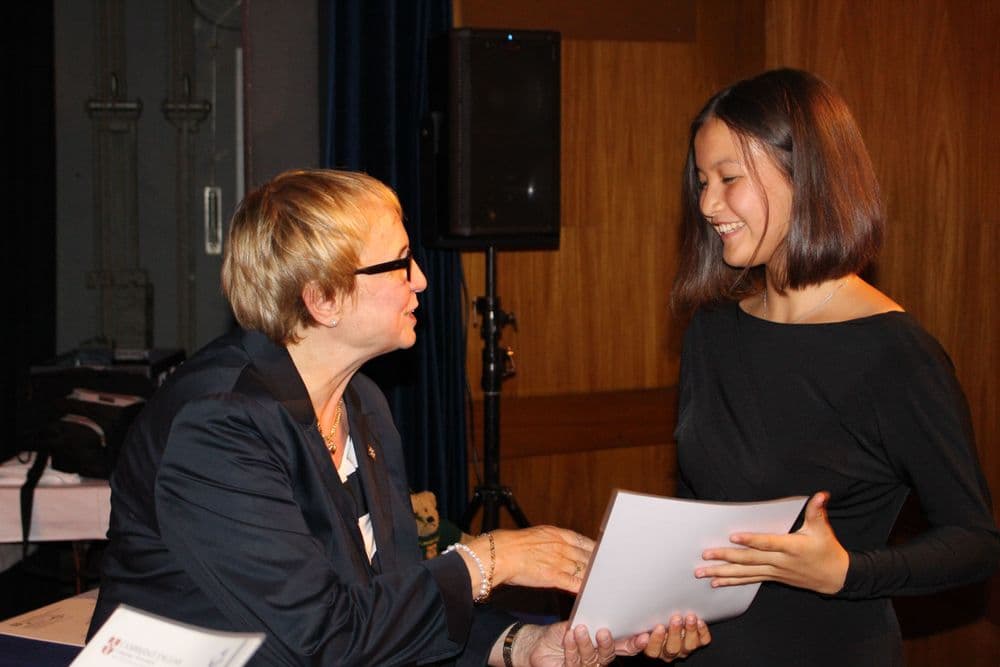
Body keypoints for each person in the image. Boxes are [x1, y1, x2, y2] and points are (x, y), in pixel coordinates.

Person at [87, 169, 707, 666]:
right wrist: (490, 559)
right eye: (399, 262)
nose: (422, 280)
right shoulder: (218, 425)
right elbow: (326, 637)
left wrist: (520, 645)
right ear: (323, 299)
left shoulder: (362, 403)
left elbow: (394, 605)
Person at [670, 68, 1000, 665]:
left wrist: (845, 571)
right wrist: (664, 608)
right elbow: (697, 510)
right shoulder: (711, 331)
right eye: (701, 181)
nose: (708, 204)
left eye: (728, 179)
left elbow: (975, 543)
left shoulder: (895, 354)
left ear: (808, 178)